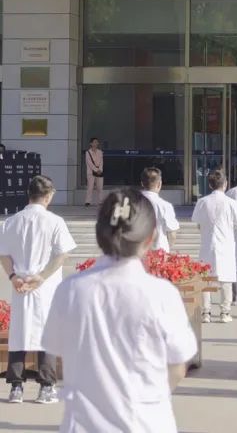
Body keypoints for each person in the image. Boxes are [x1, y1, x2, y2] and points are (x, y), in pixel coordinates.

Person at [42, 189, 195, 431]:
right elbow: (178, 365)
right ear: (151, 238)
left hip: (84, 424)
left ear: (99, 233)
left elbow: (56, 348)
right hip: (146, 421)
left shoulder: (70, 290)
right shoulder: (163, 294)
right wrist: (148, 396)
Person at [0, 175, 75, 404]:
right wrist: (41, 276)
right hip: (45, 285)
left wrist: (13, 276)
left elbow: (4, 254)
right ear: (49, 196)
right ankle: (46, 387)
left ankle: (16, 387)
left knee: (19, 333)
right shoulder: (55, 221)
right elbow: (62, 254)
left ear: (29, 194)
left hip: (20, 284)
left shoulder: (12, 222)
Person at [192, 170, 237, 324]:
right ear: (225, 184)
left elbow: (197, 223)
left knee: (206, 278)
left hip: (208, 243)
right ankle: (224, 312)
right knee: (226, 279)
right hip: (226, 243)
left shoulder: (202, 202)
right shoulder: (231, 203)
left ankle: (206, 313)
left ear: (209, 185)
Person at [140, 166, 179, 252]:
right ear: (159, 184)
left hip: (137, 252)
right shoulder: (165, 206)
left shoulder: (132, 203)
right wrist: (169, 246)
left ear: (142, 183)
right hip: (159, 251)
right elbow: (172, 234)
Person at [84, 137, 104, 207]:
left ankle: (100, 201)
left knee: (100, 188)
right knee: (90, 187)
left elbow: (101, 162)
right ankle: (88, 201)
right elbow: (89, 163)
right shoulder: (88, 152)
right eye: (95, 142)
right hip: (91, 172)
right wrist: (96, 170)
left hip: (100, 172)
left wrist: (100, 170)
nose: (96, 143)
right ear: (91, 143)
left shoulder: (100, 152)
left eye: (97, 142)